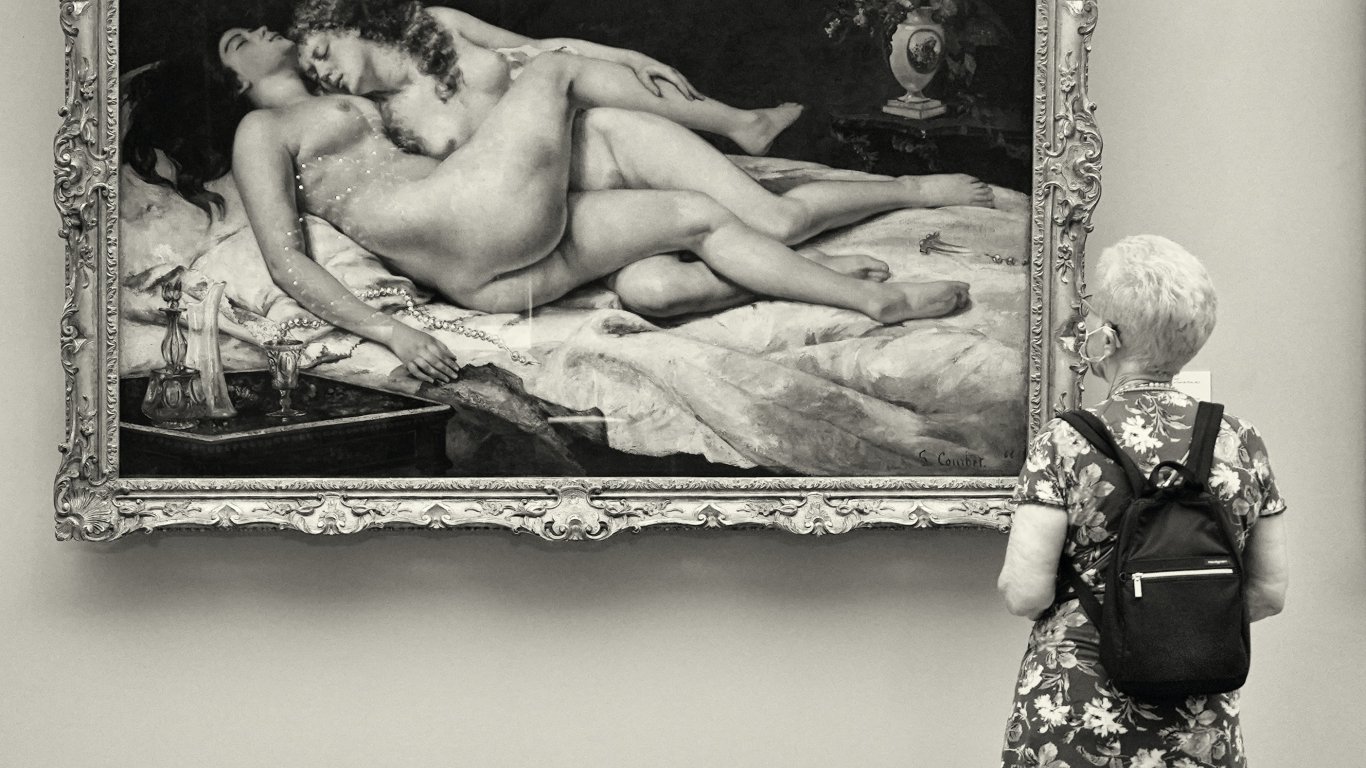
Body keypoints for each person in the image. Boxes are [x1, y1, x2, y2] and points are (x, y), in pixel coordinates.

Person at [205, 27, 977, 384]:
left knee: (691, 218)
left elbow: (484, 84)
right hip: (467, 224)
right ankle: (738, 123)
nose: (256, 29)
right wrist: (390, 331)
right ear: (234, 83)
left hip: (483, 268)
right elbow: (284, 259)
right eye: (236, 40)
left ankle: (867, 298)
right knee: (556, 73)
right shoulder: (259, 129)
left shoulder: (368, 86)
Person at [996, 235, 1289, 767]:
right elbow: (1269, 593)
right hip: (1198, 720)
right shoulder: (1241, 441)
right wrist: (1176, 626)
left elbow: (1025, 592)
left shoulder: (1063, 442)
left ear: (1107, 338)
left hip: (1076, 712)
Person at [289, 0, 804, 155]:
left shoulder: (436, 24)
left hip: (584, 119)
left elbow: (542, 49)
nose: (324, 74)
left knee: (582, 81)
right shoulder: (378, 117)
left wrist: (632, 57)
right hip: (543, 180)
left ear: (347, 25)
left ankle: (743, 124)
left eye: (321, 53)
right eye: (315, 76)